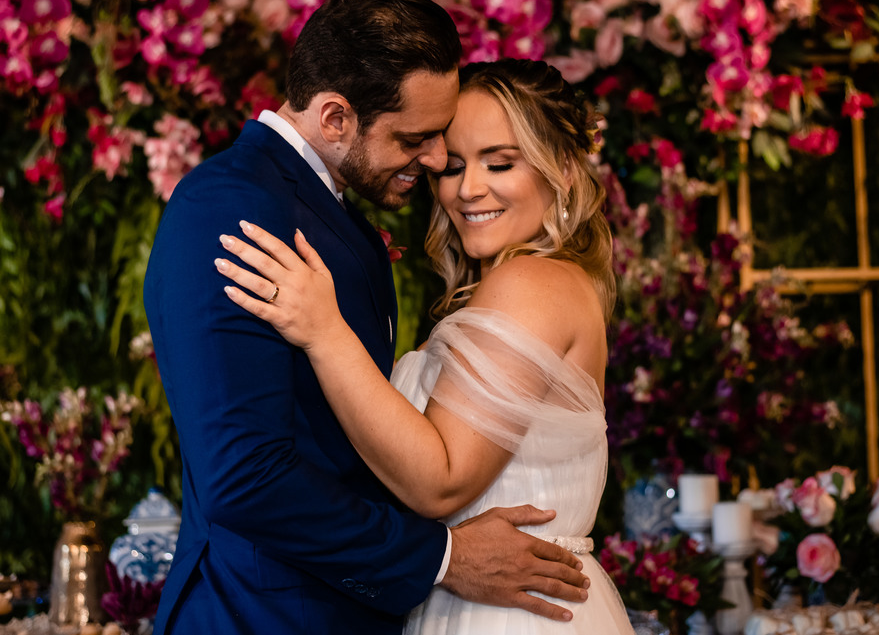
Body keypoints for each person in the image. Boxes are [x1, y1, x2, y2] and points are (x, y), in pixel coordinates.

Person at [143, 0, 590, 635]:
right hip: (259, 617)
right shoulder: (233, 206)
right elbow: (243, 473)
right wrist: (443, 558)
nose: (436, 159)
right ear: (335, 118)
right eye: (416, 138)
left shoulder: (330, 213)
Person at [216, 58, 637, 634]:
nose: (468, 189)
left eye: (501, 162)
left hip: (510, 615)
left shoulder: (532, 283)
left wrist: (323, 329)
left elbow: (439, 479)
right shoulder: (545, 283)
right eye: (454, 166)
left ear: (561, 168)